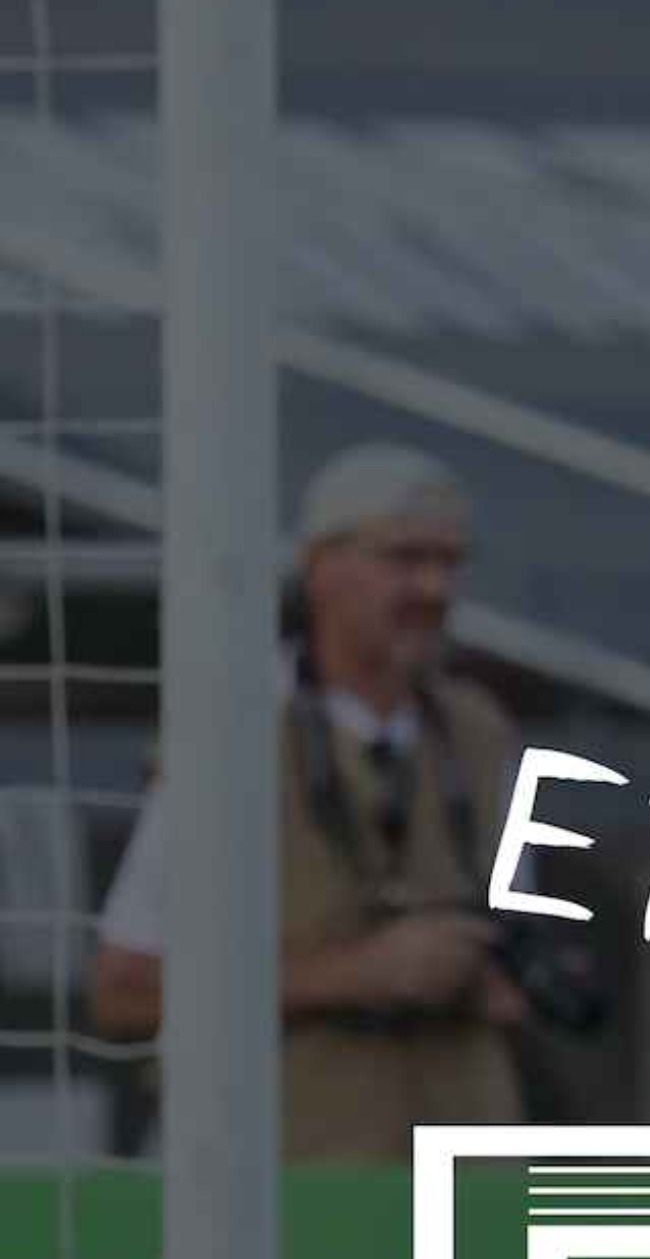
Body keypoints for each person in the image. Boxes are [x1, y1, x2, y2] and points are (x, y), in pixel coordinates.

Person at [91, 444, 535, 1160]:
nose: (434, 587)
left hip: (466, 1168)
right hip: (285, 1176)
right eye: (404, 558)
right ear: (321, 567)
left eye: (450, 563)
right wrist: (357, 975)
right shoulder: (228, 733)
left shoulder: (483, 733)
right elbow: (124, 992)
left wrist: (489, 978)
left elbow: (517, 951)